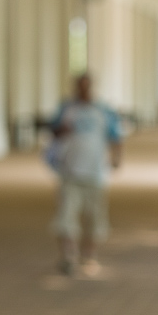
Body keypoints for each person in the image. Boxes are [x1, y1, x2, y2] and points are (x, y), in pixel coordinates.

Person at [46, 73, 123, 277]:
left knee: (94, 217)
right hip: (69, 171)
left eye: (86, 87)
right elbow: (53, 131)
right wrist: (61, 130)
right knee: (66, 216)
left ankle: (89, 256)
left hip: (96, 173)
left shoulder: (103, 111)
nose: (83, 91)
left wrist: (116, 158)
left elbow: (116, 136)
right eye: (80, 87)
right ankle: (68, 256)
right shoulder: (66, 109)